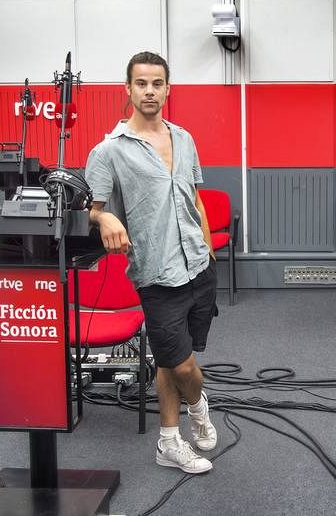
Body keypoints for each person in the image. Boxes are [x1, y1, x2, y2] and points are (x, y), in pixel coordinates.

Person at [85, 51, 219, 474]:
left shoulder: (184, 138)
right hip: (157, 274)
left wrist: (208, 247)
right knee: (182, 365)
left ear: (167, 89)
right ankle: (198, 404)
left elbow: (194, 197)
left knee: (167, 359)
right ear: (128, 89)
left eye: (157, 83)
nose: (149, 91)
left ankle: (168, 442)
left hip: (198, 265)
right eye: (141, 83)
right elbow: (88, 209)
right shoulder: (108, 151)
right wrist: (104, 216)